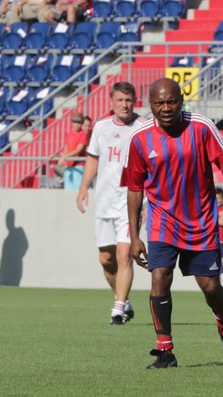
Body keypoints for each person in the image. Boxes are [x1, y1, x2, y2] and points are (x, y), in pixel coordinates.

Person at [121, 78, 223, 369]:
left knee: (211, 286)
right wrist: (134, 235)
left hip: (201, 222)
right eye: (159, 103)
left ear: (181, 101)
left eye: (171, 101)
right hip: (162, 222)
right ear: (150, 105)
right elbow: (134, 187)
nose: (166, 108)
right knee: (159, 277)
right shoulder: (140, 138)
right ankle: (166, 351)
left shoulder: (201, 127)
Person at [76, 82, 147, 325]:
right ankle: (123, 299)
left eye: (129, 100)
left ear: (135, 101)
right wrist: (84, 187)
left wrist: (146, 201)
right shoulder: (101, 127)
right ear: (111, 102)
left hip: (130, 202)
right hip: (104, 202)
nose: (125, 105)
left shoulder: (144, 127)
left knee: (124, 253)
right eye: (120, 100)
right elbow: (93, 159)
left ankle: (118, 309)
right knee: (106, 259)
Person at [51, 113, 88, 190]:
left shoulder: (83, 134)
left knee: (77, 189)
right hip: (69, 165)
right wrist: (57, 155)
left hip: (78, 165)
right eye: (75, 122)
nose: (77, 124)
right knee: (68, 189)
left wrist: (64, 157)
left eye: (79, 122)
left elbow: (78, 150)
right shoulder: (69, 134)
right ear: (71, 122)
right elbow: (66, 150)